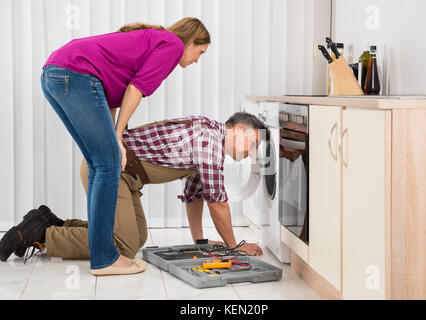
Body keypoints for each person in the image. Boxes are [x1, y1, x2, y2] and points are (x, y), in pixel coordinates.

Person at [37, 17, 210, 276]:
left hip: (56, 74)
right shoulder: (172, 45)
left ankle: (103, 254)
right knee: (108, 165)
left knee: (101, 164)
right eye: (200, 52)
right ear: (191, 41)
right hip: (74, 75)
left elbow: (108, 96)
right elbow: (135, 89)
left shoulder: (154, 40)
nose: (197, 60)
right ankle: (105, 259)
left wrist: (114, 135)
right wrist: (117, 136)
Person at [0, 112, 267, 266]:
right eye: (252, 144)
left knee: (137, 236)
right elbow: (217, 203)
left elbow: (195, 195)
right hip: (109, 169)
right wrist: (235, 247)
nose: (252, 153)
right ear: (239, 129)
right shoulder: (211, 142)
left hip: (122, 175)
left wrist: (198, 242)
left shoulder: (209, 137)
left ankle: (51, 222)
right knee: (124, 246)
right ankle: (44, 235)